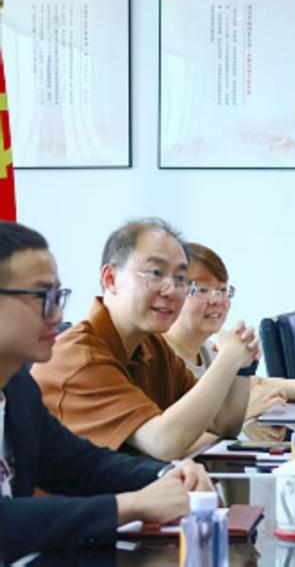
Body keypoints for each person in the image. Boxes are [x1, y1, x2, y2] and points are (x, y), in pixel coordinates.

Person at [0, 221, 214, 562]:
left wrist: (165, 475)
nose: (57, 314)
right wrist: (130, 505)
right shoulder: (78, 356)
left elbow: (80, 465)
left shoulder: (18, 389)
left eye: (58, 297)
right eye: (41, 297)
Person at [32, 219, 257, 461]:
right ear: (110, 279)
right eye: (155, 273)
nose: (170, 290)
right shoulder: (79, 357)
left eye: (181, 278)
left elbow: (223, 424)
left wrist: (241, 367)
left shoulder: (152, 345)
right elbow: (165, 443)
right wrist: (228, 357)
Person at [163, 242, 295, 420]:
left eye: (222, 290)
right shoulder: (159, 358)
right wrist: (241, 414)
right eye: (202, 290)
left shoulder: (207, 350)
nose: (217, 300)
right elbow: (173, 432)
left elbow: (256, 382)